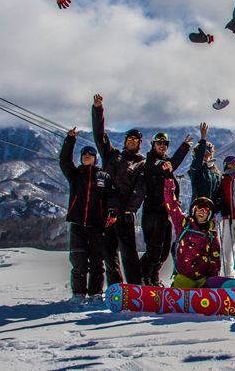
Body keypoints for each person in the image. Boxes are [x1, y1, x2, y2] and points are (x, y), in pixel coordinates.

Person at [91, 94, 146, 285]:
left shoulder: (141, 165)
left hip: (123, 214)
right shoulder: (112, 156)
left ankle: (135, 287)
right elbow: (98, 136)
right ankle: (116, 287)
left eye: (135, 139)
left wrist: (130, 210)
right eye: (128, 138)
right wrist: (98, 109)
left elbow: (140, 190)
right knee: (108, 252)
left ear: (140, 144)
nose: (131, 141)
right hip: (105, 213)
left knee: (128, 252)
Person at [59, 128, 109, 305]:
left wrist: (111, 213)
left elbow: (111, 197)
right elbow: (64, 161)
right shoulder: (75, 175)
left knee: (97, 261)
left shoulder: (103, 176)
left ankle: (96, 292)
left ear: (96, 158)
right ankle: (78, 293)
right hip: (78, 224)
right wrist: (70, 141)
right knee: (78, 261)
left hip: (97, 225)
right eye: (84, 154)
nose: (87, 155)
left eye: (91, 153)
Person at [140, 132, 192, 286]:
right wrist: (184, 148)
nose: (162, 146)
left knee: (164, 252)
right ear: (153, 145)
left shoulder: (163, 162)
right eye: (159, 143)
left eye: (165, 144)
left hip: (165, 213)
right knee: (154, 250)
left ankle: (153, 278)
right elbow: (172, 164)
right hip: (152, 212)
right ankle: (145, 278)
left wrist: (184, 147)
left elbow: (171, 164)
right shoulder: (150, 162)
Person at [164, 179, 221, 288]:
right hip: (183, 278)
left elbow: (215, 260)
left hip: (203, 280)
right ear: (194, 210)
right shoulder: (184, 225)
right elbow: (172, 205)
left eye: (206, 210)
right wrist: (169, 180)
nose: (202, 212)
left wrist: (212, 279)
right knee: (179, 302)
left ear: (209, 214)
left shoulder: (211, 235)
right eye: (199, 208)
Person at [188, 122, 222, 210]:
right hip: (197, 209)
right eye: (204, 151)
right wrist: (203, 139)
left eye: (209, 151)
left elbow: (219, 193)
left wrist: (218, 207)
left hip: (210, 210)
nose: (207, 154)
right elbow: (198, 160)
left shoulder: (215, 173)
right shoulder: (196, 169)